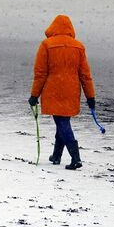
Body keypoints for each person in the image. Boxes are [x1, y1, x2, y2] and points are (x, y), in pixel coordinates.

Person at [28, 14, 95, 170]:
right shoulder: (78, 46)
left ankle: (76, 158)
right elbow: (85, 75)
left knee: (62, 122)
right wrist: (90, 96)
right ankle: (56, 155)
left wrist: (34, 95)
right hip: (71, 91)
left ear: (53, 27)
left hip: (53, 90)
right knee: (62, 121)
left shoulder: (46, 45)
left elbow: (40, 73)